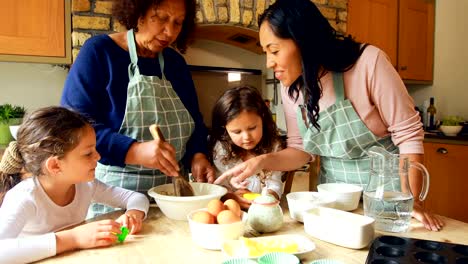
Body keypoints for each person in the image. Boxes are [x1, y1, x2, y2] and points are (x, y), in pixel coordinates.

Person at [214, 0, 443, 231]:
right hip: (334, 203)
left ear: (303, 41)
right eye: (266, 52)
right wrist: (262, 161)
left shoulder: (368, 63)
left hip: (387, 198)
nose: (269, 62)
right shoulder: (291, 87)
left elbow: (409, 136)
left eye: (274, 50)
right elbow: (301, 150)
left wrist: (410, 200)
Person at [61, 0, 215, 217]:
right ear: (138, 13)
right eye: (161, 18)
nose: (169, 31)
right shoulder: (99, 53)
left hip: (172, 198)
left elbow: (195, 123)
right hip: (116, 198)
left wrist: (197, 155)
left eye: (178, 22)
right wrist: (134, 151)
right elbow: (73, 128)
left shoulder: (175, 64)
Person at [0, 107, 149, 263]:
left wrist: (133, 215)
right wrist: (74, 238)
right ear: (55, 166)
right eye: (88, 153)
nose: (98, 157)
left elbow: (135, 198)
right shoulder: (24, 198)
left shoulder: (85, 185)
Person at [209, 86, 284, 209]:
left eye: (252, 128)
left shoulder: (273, 146)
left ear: (263, 120)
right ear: (225, 129)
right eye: (237, 132)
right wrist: (230, 196)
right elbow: (218, 186)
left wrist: (267, 199)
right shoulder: (221, 149)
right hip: (232, 211)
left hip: (264, 211)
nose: (246, 137)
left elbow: (275, 185)